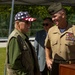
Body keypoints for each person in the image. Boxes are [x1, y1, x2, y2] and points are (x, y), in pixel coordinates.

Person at [45, 2, 75, 75]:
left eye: (55, 16)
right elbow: (47, 46)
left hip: (70, 66)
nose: (53, 19)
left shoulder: (73, 30)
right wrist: (48, 59)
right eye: (52, 17)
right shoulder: (51, 30)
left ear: (63, 15)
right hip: (55, 66)